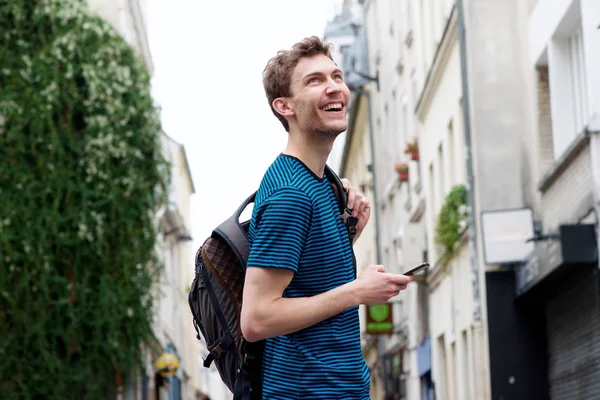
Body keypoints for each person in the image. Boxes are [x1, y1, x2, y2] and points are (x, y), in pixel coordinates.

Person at [240, 36, 413, 399]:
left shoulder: (319, 181)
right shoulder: (290, 194)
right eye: (314, 81)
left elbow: (306, 279)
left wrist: (348, 233)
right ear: (284, 106)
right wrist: (357, 292)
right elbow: (256, 319)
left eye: (336, 76)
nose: (334, 87)